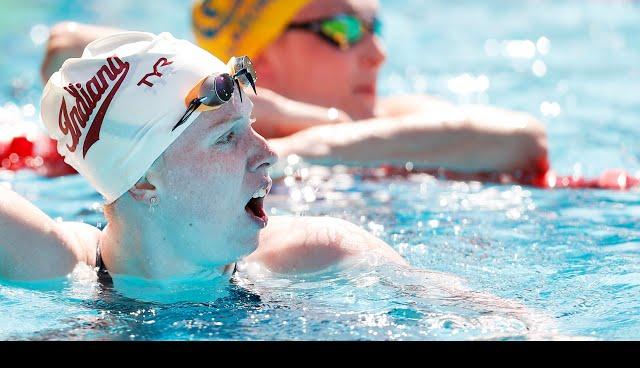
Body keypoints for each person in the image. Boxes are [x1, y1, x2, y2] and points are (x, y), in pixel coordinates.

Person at [1, 31, 551, 336]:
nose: (268, 155)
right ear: (142, 181)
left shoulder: (322, 256)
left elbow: (512, 325)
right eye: (226, 137)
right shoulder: (54, 265)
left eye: (255, 125)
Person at [40, 0, 549, 183]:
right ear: (258, 55)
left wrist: (308, 141)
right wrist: (255, 100)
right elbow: (63, 48)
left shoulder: (386, 119)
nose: (377, 54)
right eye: (343, 30)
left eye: (376, 28)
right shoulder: (167, 122)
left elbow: (523, 139)